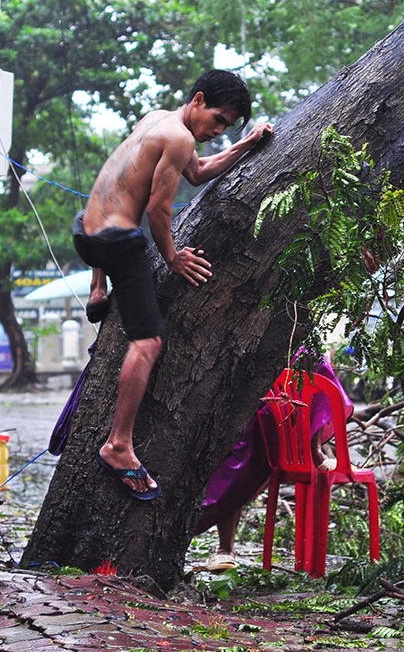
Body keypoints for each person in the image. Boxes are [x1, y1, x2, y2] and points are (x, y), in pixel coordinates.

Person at [73, 69, 274, 500]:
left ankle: (97, 289)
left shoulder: (157, 120)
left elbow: (197, 173)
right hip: (115, 244)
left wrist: (245, 144)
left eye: (226, 127)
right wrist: (173, 257)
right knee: (147, 342)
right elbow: (158, 210)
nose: (217, 131)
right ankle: (118, 445)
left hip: (86, 233)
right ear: (197, 100)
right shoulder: (180, 138)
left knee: (112, 209)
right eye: (217, 119)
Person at [197, 352, 352, 571]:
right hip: (256, 424)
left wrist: (313, 447)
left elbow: (323, 387)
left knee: (312, 359)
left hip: (285, 432)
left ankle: (225, 548)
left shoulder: (305, 355)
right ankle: (224, 548)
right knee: (232, 458)